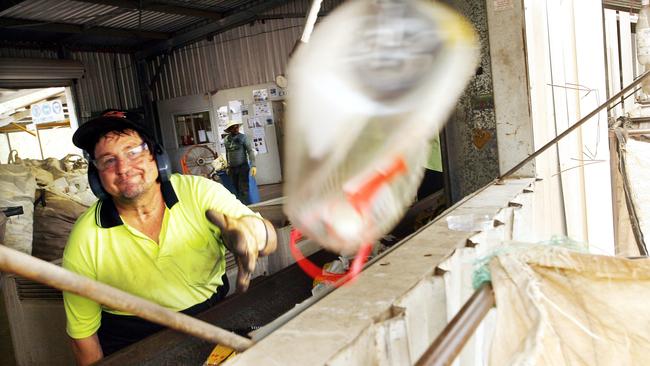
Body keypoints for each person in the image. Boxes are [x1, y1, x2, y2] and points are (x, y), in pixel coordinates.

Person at [63, 110, 276, 366]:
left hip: (211, 320)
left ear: (156, 157)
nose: (123, 168)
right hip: (133, 343)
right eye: (108, 160)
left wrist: (252, 234)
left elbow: (266, 235)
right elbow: (83, 337)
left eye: (133, 151)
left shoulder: (198, 192)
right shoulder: (85, 237)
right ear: (97, 177)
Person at [224, 120, 256, 204]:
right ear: (229, 129)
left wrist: (253, 165)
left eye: (237, 126)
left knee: (243, 189)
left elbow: (250, 151)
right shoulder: (226, 139)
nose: (236, 129)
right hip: (232, 169)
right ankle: (241, 206)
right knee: (236, 189)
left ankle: (246, 207)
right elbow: (227, 153)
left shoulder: (243, 137)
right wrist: (227, 166)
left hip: (242, 167)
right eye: (233, 127)